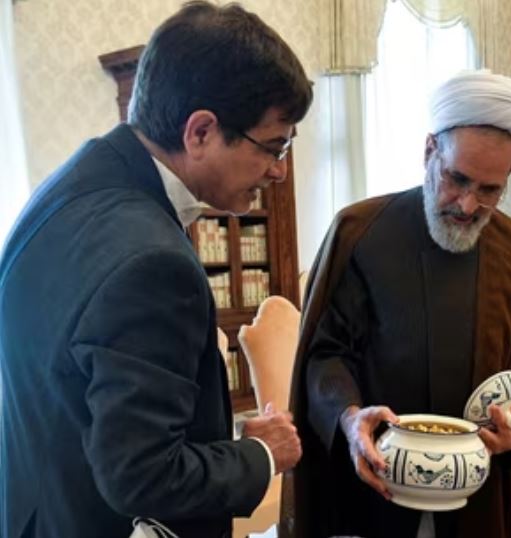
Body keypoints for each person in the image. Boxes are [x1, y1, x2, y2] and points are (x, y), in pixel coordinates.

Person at [0, 3, 313, 537]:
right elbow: (141, 475)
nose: (279, 171)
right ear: (201, 131)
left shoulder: (68, 182)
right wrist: (260, 453)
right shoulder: (153, 265)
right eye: (273, 145)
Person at [282, 71, 511, 538]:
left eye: (490, 190)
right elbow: (324, 355)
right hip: (376, 484)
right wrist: (350, 418)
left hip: (479, 492)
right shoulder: (360, 233)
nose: (468, 204)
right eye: (457, 179)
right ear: (429, 151)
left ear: (510, 180)